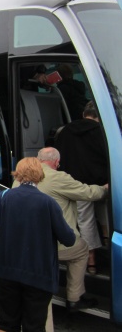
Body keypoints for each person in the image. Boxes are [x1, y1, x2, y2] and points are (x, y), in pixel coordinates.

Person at [0, 157, 75, 332]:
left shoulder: (5, 197)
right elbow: (69, 239)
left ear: (18, 174)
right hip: (38, 275)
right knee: (34, 325)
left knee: (6, 322)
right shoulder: (48, 203)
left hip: (7, 272)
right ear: (39, 175)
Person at [36, 147, 108, 312]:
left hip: (30, 242)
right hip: (54, 246)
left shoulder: (22, 176)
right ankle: (74, 298)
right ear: (57, 162)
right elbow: (88, 193)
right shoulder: (58, 177)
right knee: (82, 248)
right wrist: (104, 189)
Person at [55, 101, 109, 274]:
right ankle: (108, 243)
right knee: (106, 213)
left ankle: (90, 260)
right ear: (98, 117)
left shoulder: (65, 131)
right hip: (102, 183)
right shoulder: (102, 133)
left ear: (84, 114)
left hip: (78, 185)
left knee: (85, 221)